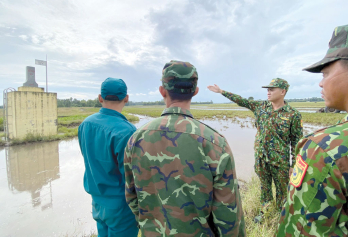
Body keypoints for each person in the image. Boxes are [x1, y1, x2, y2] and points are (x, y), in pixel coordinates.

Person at [124, 60, 245, 236]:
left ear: (162, 91)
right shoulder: (215, 143)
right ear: (195, 92)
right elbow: (229, 215)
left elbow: (132, 197)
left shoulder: (136, 139)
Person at [277, 25, 348, 236]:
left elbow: (297, 229)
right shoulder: (262, 110)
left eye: (326, 72)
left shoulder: (326, 149)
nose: (320, 82)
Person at [208, 78, 303, 222]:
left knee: (283, 192)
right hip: (261, 159)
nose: (268, 92)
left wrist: (294, 165)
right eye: (267, 89)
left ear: (283, 91)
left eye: (272, 89)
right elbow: (241, 100)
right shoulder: (260, 106)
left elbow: (297, 142)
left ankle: (282, 218)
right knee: (265, 189)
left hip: (280, 162)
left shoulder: (293, 114)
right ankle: (264, 213)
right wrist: (221, 91)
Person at [78, 78, 138, 237]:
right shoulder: (127, 131)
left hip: (97, 200)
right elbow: (132, 177)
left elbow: (88, 158)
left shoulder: (85, 124)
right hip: (121, 206)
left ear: (100, 98)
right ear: (126, 98)